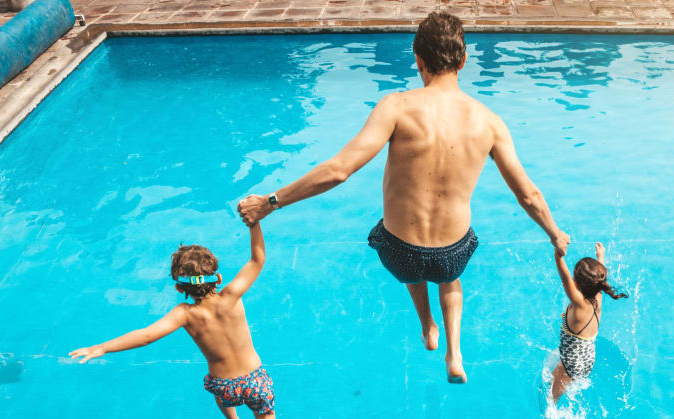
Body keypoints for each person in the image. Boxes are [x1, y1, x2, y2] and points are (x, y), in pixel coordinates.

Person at [237, 12, 569, 384]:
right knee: (450, 278)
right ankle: (454, 352)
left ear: (418, 60)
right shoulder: (490, 122)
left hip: (399, 251)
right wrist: (554, 233)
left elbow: (339, 170)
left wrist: (269, 202)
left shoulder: (396, 107)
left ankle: (428, 327)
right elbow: (528, 194)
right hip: (452, 253)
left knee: (410, 261)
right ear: (463, 61)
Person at [69, 221, 289, 419]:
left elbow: (146, 336)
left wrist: (101, 347)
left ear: (179, 288)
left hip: (224, 384)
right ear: (218, 278)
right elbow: (257, 259)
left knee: (222, 396)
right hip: (254, 379)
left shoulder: (184, 314)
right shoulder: (232, 294)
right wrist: (254, 224)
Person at [550, 242, 628, 403]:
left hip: (572, 363)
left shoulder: (579, 304)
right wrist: (601, 257)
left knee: (552, 396)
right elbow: (598, 279)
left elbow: (565, 279)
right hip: (586, 358)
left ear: (576, 284)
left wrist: (558, 256)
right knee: (553, 376)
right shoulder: (598, 297)